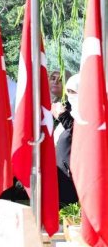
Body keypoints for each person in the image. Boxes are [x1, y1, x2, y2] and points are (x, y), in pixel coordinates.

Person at [54, 74, 79, 207]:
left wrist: (63, 116)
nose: (70, 96)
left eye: (73, 92)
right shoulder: (70, 110)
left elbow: (78, 133)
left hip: (74, 177)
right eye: (68, 92)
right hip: (61, 175)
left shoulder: (87, 113)